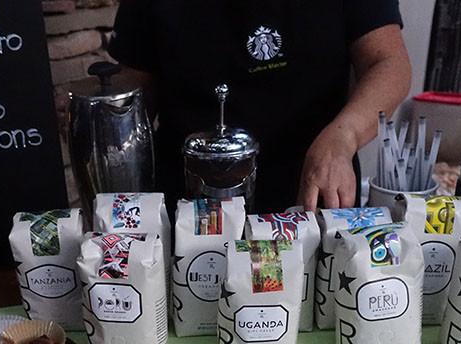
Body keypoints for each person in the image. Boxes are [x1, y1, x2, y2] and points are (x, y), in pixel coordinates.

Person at [107, 0, 412, 213]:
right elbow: (136, 93)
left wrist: (344, 137)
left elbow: (387, 63)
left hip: (308, 194)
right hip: (189, 205)